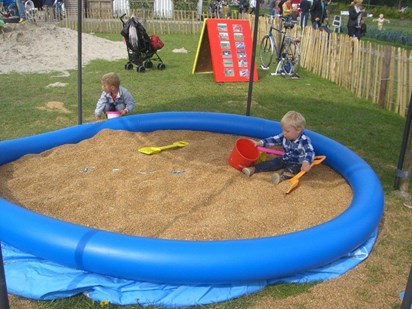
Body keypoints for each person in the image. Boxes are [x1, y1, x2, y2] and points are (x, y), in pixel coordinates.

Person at [242, 111, 315, 185]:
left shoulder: (304, 140)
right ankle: (253, 169)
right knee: (272, 163)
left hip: (297, 163)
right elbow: (273, 139)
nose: (284, 133)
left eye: (287, 131)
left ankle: (281, 177)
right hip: (285, 158)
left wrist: (306, 162)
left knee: (291, 170)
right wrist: (260, 143)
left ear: (298, 130)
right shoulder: (284, 136)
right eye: (283, 130)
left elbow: (310, 152)